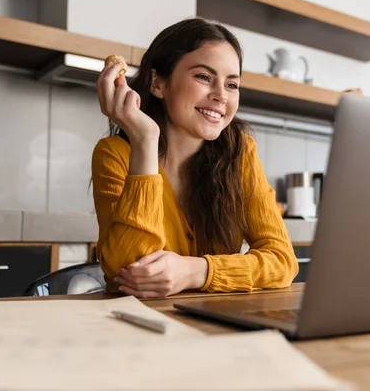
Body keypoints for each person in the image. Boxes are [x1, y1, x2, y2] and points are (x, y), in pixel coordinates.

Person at [91, 18, 298, 298]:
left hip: (213, 325)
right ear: (158, 83)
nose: (221, 96)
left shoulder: (240, 152)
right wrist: (145, 141)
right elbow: (130, 270)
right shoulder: (116, 153)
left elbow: (283, 261)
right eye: (204, 77)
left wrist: (194, 271)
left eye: (232, 85)